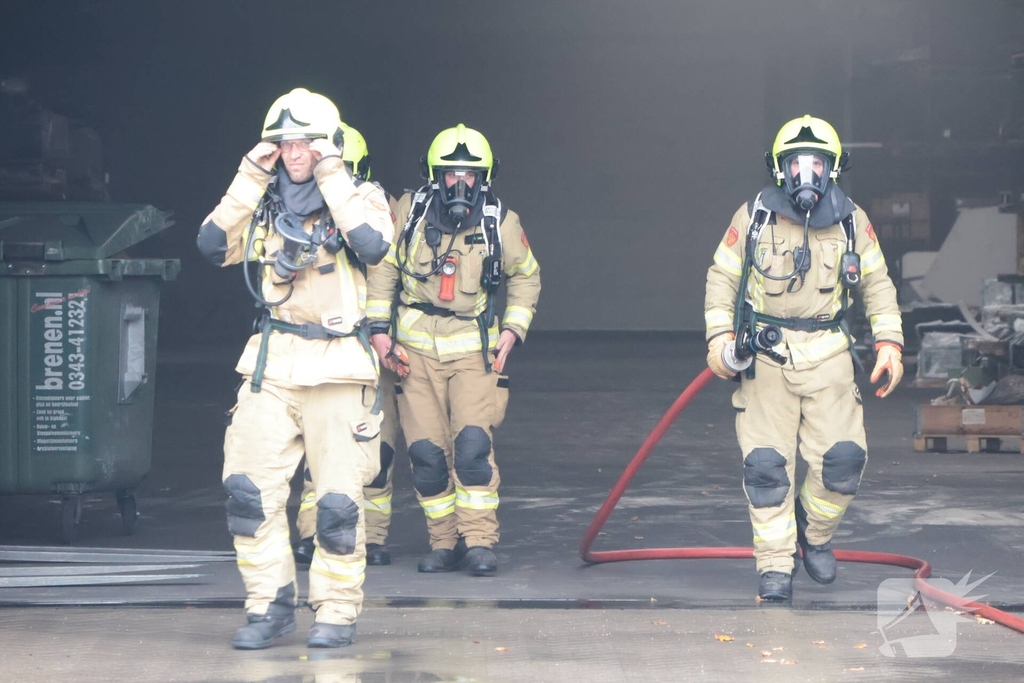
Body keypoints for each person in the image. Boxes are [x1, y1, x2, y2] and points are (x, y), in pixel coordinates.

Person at [196, 88, 394, 649]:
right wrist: (249, 176)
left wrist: (332, 171)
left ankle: (335, 610)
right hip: (273, 365)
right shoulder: (262, 202)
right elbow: (211, 243)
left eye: (305, 140)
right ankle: (268, 607)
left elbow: (372, 244)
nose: (294, 150)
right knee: (248, 491)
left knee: (336, 504)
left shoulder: (360, 196)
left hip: (337, 369)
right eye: (284, 141)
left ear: (327, 145)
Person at [703, 115, 904, 601]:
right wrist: (721, 341)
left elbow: (877, 285)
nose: (807, 174)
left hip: (829, 354)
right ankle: (774, 567)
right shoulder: (752, 218)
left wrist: (890, 343)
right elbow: (721, 279)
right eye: (798, 163)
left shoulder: (853, 221)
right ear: (781, 168)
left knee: (843, 462)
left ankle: (813, 535)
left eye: (818, 163)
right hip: (766, 356)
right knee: (767, 467)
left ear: (832, 169)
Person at [365, 124, 541, 577]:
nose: (459, 183)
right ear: (433, 176)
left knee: (472, 449)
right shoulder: (409, 213)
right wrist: (379, 329)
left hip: (474, 355)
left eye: (469, 174)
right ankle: (443, 543)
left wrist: (513, 330)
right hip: (412, 357)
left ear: (484, 178)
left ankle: (479, 541)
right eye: (449, 173)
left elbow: (525, 275)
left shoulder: (501, 222)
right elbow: (384, 267)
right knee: (426, 455)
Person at [294, 123, 402, 568]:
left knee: (377, 447)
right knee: (317, 442)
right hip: (326, 349)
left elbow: (391, 275)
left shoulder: (381, 213)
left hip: (373, 348)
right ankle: (309, 532)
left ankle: (371, 537)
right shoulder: (300, 213)